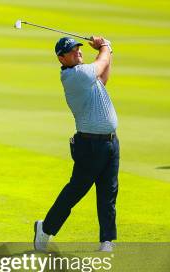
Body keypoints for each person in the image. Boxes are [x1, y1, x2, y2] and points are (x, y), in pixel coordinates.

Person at [34, 36, 119, 252]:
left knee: (108, 193)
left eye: (78, 49)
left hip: (110, 142)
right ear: (61, 59)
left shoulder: (85, 75)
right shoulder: (74, 76)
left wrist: (107, 53)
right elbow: (99, 64)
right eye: (72, 51)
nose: (78, 52)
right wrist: (105, 47)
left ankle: (106, 242)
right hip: (89, 145)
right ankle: (44, 229)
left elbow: (102, 76)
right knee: (76, 191)